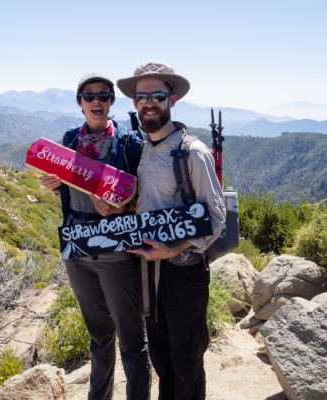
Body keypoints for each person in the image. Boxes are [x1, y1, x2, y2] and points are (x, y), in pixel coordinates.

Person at [117, 61, 226, 400]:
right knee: (163, 358)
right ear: (134, 104)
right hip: (150, 271)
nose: (149, 103)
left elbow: (216, 214)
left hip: (182, 271)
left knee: (186, 359)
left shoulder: (191, 152)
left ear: (172, 99)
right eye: (141, 97)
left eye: (157, 95)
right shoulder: (146, 148)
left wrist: (174, 248)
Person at [41, 72, 150, 400]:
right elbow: (73, 188)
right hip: (77, 248)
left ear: (112, 102)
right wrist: (56, 185)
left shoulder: (130, 143)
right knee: (99, 337)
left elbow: (148, 193)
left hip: (116, 250)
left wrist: (123, 206)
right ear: (80, 103)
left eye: (104, 95)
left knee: (131, 341)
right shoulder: (69, 140)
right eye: (89, 96)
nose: (97, 101)